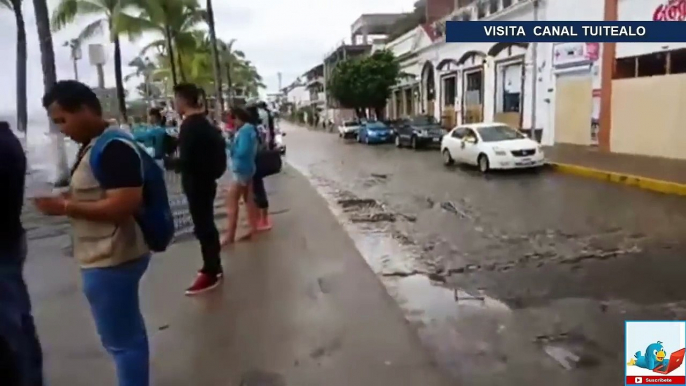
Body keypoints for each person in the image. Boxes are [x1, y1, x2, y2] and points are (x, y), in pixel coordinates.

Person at [34, 80, 150, 386]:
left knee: (122, 342)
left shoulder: (112, 147)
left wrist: (64, 207)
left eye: (63, 120)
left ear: (85, 110)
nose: (61, 129)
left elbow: (123, 204)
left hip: (111, 256)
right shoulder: (97, 145)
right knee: (129, 335)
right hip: (109, 252)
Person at [0, 121, 44, 386]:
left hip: (3, 245)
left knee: (11, 332)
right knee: (17, 322)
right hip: (9, 240)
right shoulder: (7, 139)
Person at [174, 83, 226, 295]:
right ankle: (214, 265)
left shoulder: (189, 127)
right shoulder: (206, 124)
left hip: (197, 183)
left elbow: (187, 161)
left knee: (203, 226)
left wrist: (166, 162)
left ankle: (210, 271)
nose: (174, 104)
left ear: (183, 101)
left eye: (175, 99)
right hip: (207, 181)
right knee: (207, 224)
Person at [222, 106, 259, 245]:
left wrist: (230, 147)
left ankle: (230, 235)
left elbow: (242, 151)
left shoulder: (244, 131)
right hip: (248, 168)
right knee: (249, 199)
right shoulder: (250, 130)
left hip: (241, 169)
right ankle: (252, 228)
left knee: (232, 202)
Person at [253, 102, 274, 231]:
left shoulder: (254, 128)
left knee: (258, 190)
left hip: (255, 161)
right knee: (257, 189)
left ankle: (263, 219)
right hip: (258, 159)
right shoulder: (261, 124)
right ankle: (261, 218)